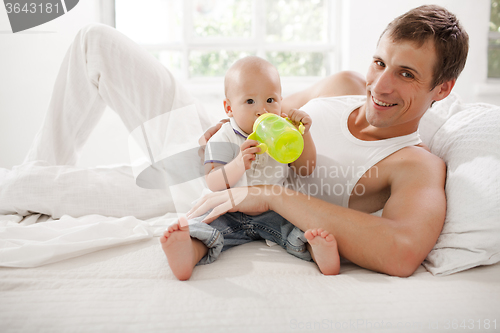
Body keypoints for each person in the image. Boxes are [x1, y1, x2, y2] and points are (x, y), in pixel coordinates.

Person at [185, 4, 469, 277]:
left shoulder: (417, 165)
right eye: (379, 63)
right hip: (230, 186)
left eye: (406, 74)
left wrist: (271, 196)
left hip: (274, 225)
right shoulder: (342, 85)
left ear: (442, 88)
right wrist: (225, 129)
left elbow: (402, 252)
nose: (380, 86)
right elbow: (266, 108)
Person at [160, 56, 341, 280]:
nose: (262, 110)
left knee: (304, 226)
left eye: (270, 100)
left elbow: (306, 169)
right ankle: (187, 252)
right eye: (249, 102)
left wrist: (303, 134)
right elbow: (213, 181)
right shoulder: (223, 137)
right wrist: (238, 164)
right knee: (203, 226)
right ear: (229, 107)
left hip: (275, 211)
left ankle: (318, 249)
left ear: (281, 101)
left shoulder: (283, 132)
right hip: (229, 210)